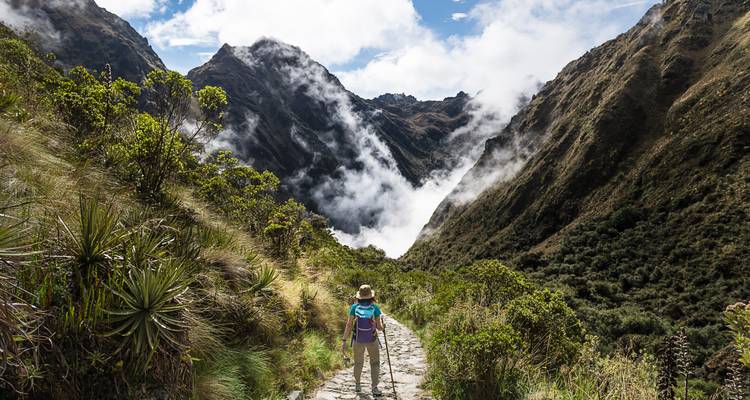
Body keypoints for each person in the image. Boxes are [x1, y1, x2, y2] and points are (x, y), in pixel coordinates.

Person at [342, 284, 384, 396]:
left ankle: (358, 385)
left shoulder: (354, 308)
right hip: (372, 339)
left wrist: (344, 340)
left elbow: (349, 325)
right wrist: (383, 326)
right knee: (374, 363)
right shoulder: (375, 307)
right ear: (371, 295)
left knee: (358, 363)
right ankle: (374, 388)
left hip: (358, 339)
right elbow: (379, 327)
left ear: (359, 296)